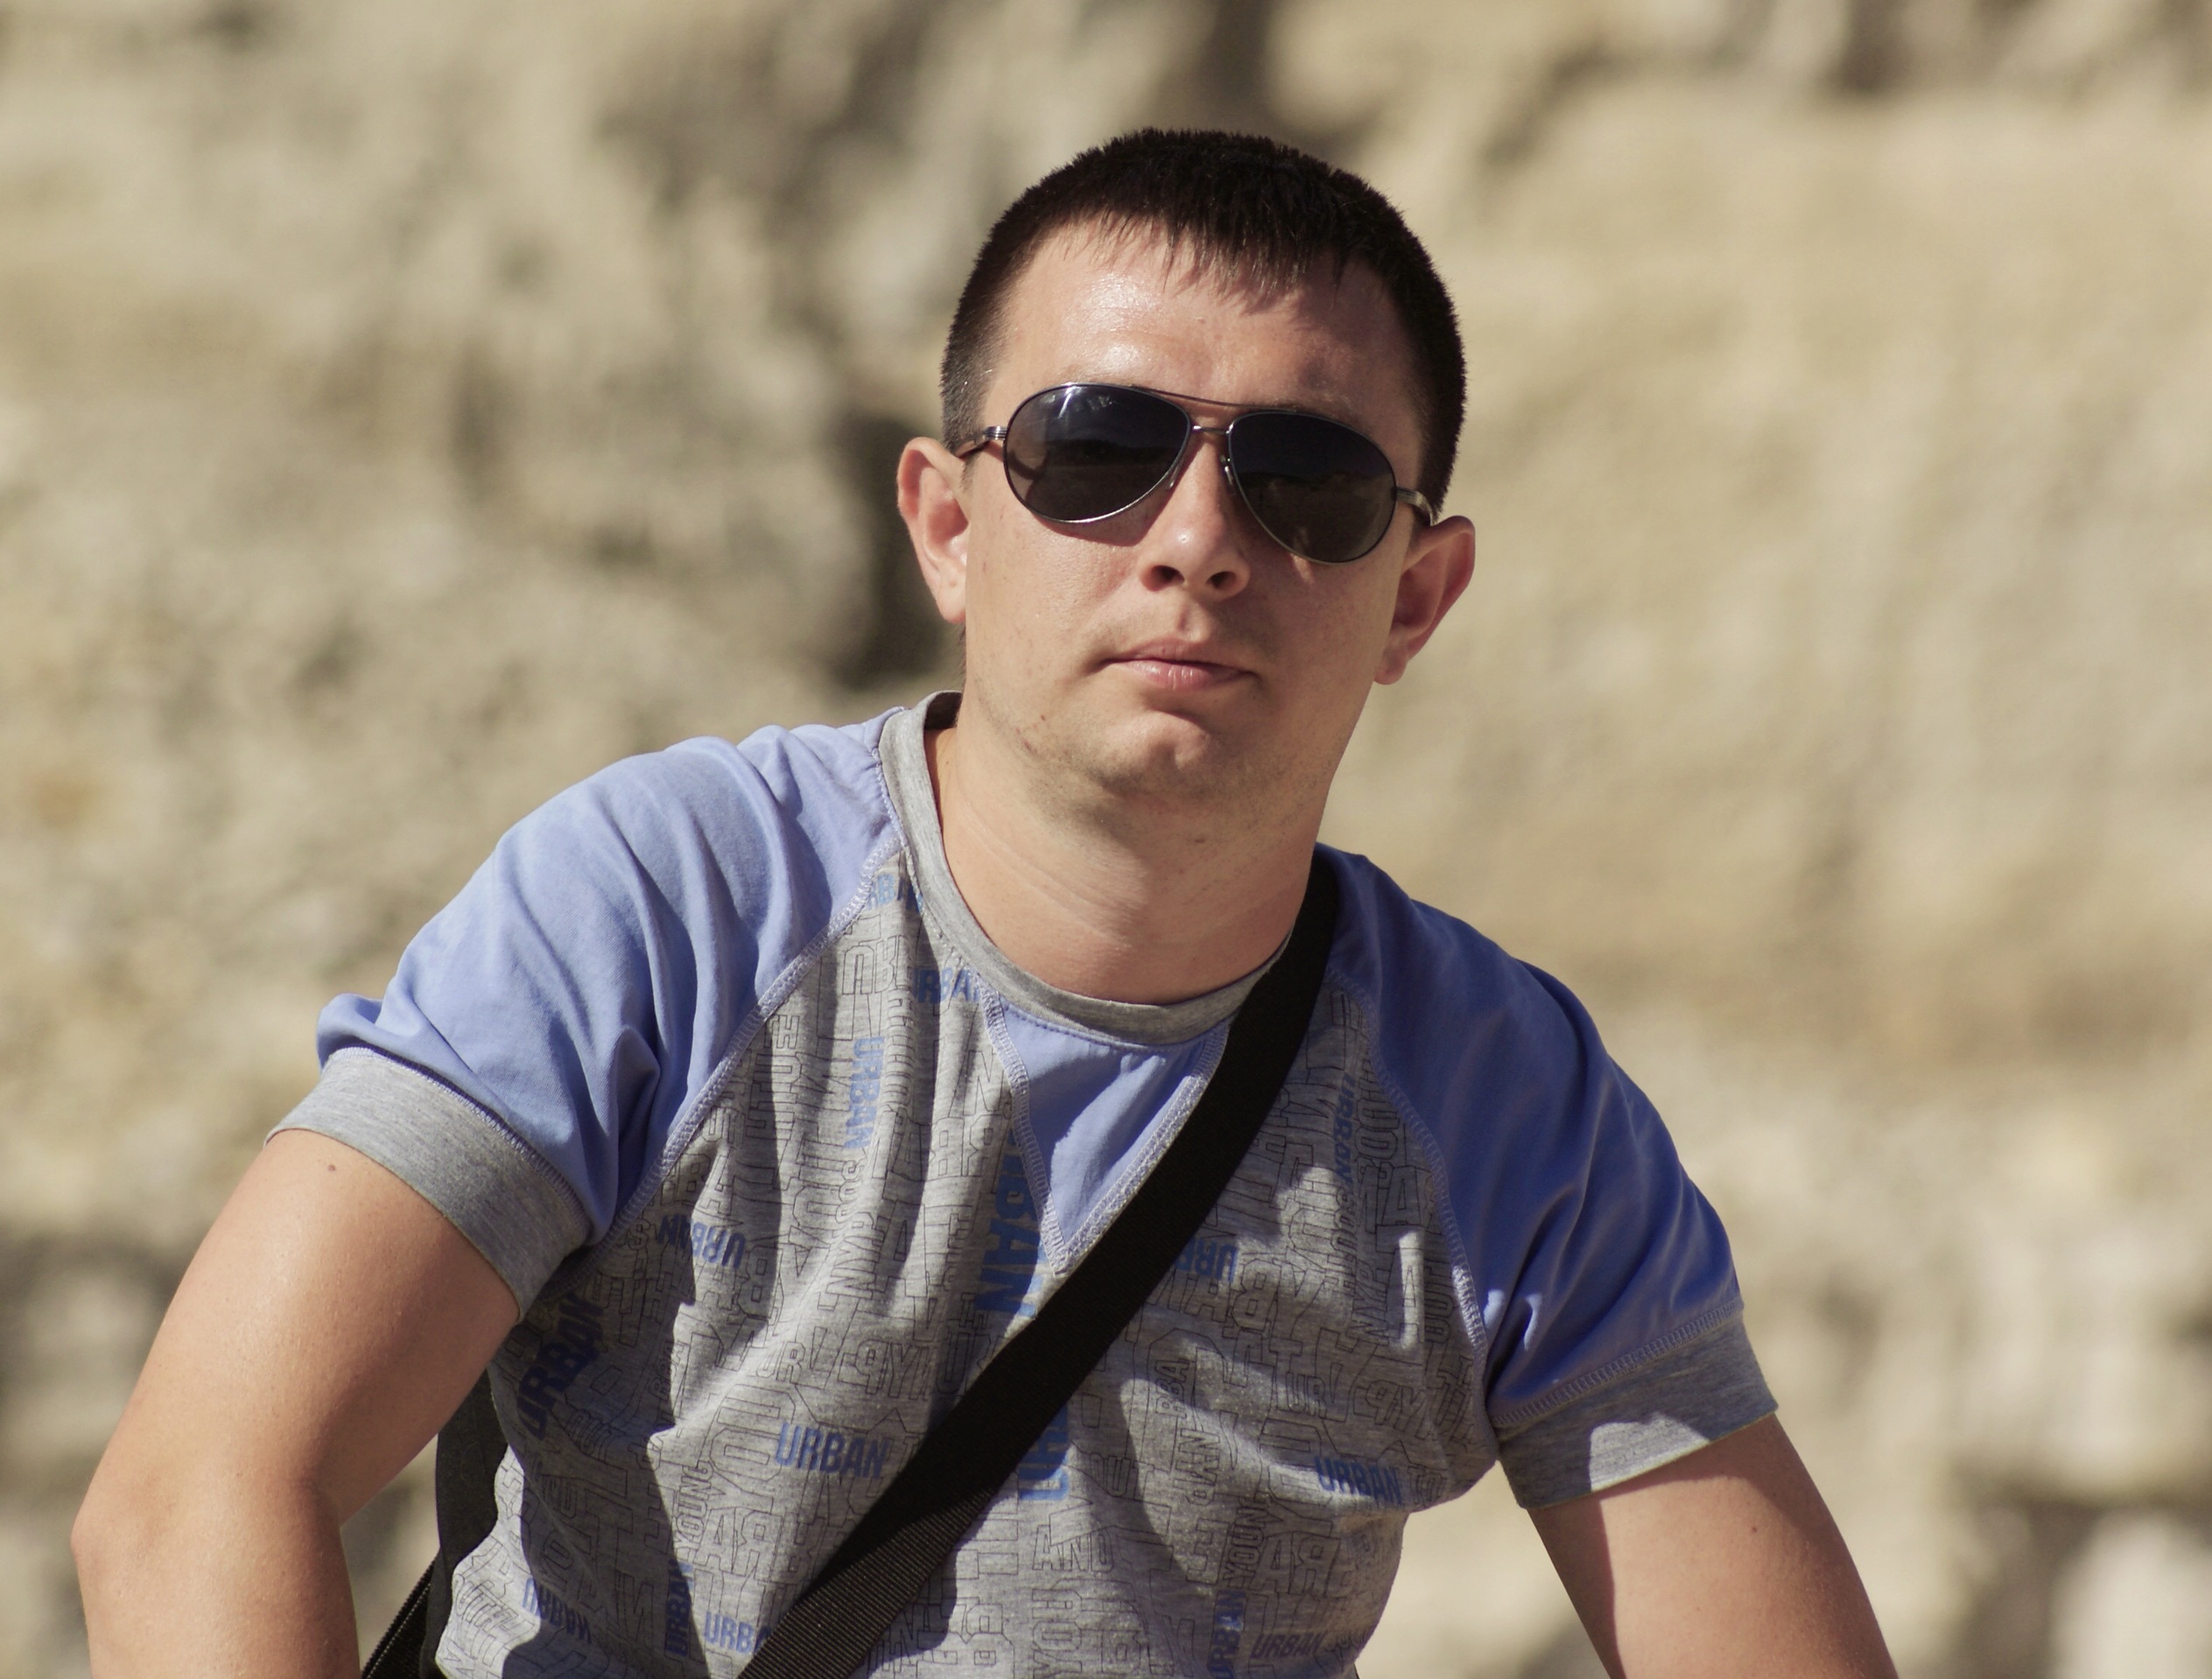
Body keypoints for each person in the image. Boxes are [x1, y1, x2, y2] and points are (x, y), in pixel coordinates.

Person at [74, 130, 1896, 1679]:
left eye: (1308, 482)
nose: (1197, 540)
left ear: (1415, 596)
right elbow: (200, 1491)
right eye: (1098, 449)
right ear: (949, 525)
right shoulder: (667, 903)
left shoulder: (1506, 1106)